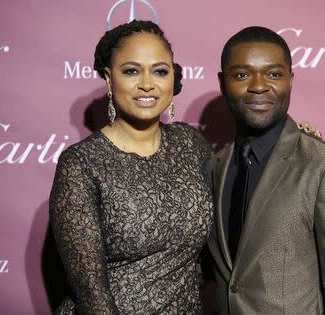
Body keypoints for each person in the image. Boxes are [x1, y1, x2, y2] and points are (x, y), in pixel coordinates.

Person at [49, 20, 214, 314]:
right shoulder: (81, 163)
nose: (147, 84)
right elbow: (92, 297)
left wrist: (296, 142)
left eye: (160, 71)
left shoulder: (191, 144)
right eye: (131, 71)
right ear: (110, 80)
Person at [206, 26, 325, 314]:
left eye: (274, 74)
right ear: (223, 82)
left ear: (290, 80)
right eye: (242, 75)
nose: (259, 86)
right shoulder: (214, 167)